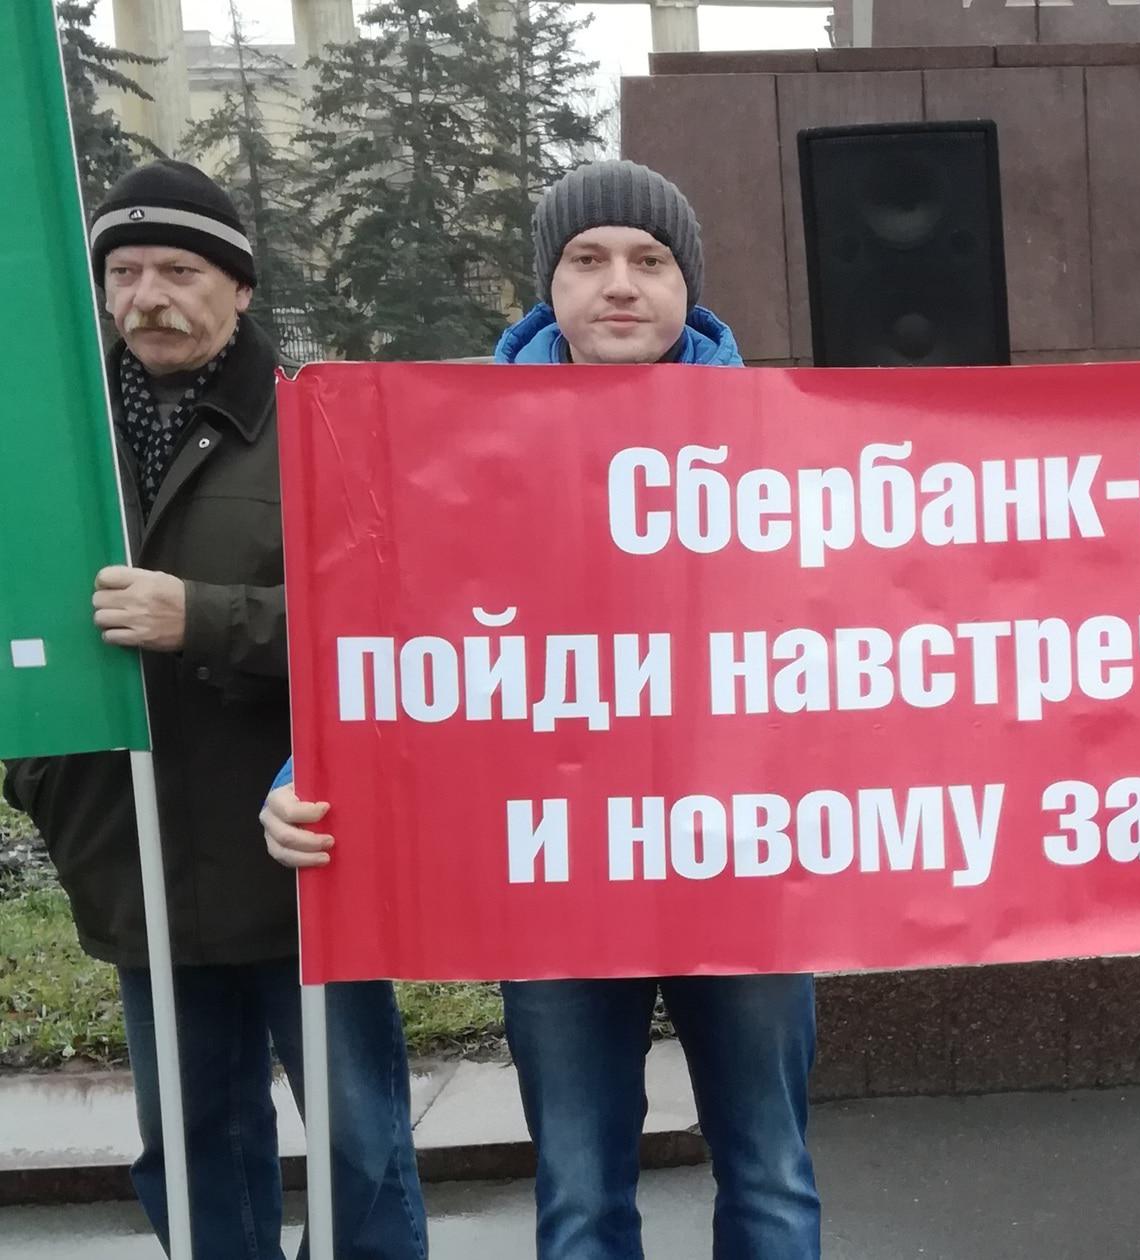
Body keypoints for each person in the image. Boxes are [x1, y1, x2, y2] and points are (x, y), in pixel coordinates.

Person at [263, 160, 821, 1260]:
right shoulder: (454, 447)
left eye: (649, 260)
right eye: (588, 258)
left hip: (743, 858)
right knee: (577, 1190)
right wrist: (302, 778)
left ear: (688, 286)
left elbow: (873, 639)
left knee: (771, 1173)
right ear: (547, 284)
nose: (620, 284)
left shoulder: (783, 443)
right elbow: (393, 633)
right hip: (555, 871)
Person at [2, 159, 427, 1260]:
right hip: (134, 855)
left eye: (181, 271)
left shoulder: (317, 427)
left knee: (358, 1143)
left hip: (300, 858)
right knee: (192, 1149)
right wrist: (39, 774)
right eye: (125, 271)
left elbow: (382, 628)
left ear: (239, 288)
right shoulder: (51, 446)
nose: (149, 296)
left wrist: (202, 617)